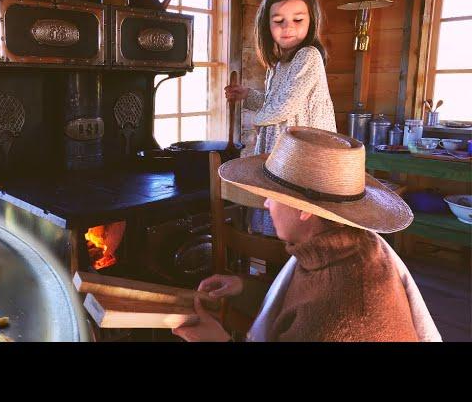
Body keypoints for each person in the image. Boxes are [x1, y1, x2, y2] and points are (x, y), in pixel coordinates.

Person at [172, 127, 441, 342]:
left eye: (272, 196)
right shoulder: (343, 247)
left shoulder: (343, 320)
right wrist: (244, 288)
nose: (266, 204)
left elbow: (318, 317)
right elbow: (299, 306)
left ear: (304, 210)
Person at [225, 0, 336, 237]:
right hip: (281, 154)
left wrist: (256, 125)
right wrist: (247, 95)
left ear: (311, 21)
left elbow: (284, 107)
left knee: (299, 225)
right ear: (267, 25)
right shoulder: (278, 65)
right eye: (279, 21)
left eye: (298, 19)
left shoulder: (308, 56)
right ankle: (274, 271)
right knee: (275, 224)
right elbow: (275, 101)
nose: (288, 28)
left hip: (304, 155)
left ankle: (292, 271)